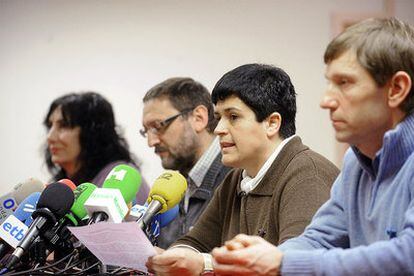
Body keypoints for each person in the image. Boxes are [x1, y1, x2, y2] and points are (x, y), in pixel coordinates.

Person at [212, 17, 414, 275]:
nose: (326, 100)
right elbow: (320, 239)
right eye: (329, 83)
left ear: (396, 89)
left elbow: (409, 255)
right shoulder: (356, 162)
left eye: (345, 83)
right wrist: (265, 255)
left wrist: (281, 263)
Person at [146, 64, 339, 275]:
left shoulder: (307, 175)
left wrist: (204, 264)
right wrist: (174, 259)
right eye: (219, 118)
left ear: (272, 123)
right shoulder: (237, 178)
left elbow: (293, 265)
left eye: (233, 117)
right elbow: (195, 242)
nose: (219, 129)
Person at [141, 77, 232, 248]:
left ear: (198, 118)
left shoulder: (237, 178)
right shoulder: (169, 188)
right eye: (146, 131)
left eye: (158, 126)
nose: (151, 141)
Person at [44, 92, 149, 204]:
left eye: (64, 125)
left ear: (91, 133)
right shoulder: (67, 182)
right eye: (50, 126)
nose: (50, 137)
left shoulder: (119, 178)